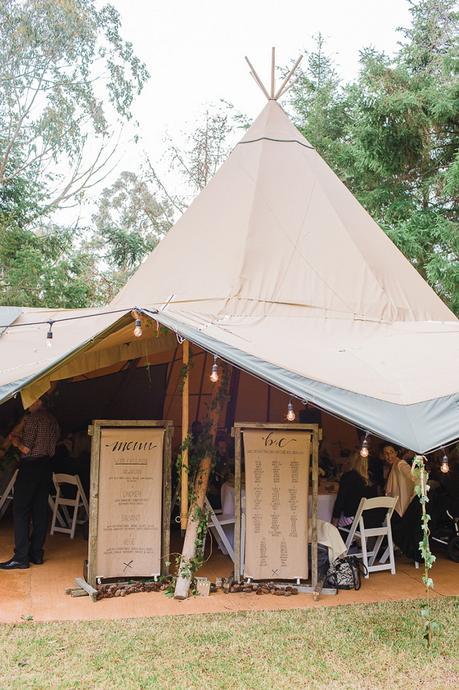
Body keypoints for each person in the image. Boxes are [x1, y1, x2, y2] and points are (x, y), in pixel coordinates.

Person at [0, 397, 60, 570]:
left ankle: (20, 557)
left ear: (39, 402)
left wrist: (15, 441)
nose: (28, 404)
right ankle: (36, 554)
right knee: (40, 510)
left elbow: (26, 448)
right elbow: (53, 443)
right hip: (46, 466)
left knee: (20, 509)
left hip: (31, 465)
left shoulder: (33, 419)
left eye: (31, 401)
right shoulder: (53, 420)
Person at [331, 451, 378, 529]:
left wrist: (334, 521)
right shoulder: (368, 479)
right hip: (367, 521)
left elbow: (340, 501)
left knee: (327, 519)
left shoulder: (348, 477)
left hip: (352, 520)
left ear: (351, 462)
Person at [383, 444, 415, 518]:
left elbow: (412, 476)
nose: (389, 455)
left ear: (396, 453)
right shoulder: (389, 467)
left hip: (400, 506)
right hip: (395, 505)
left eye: (391, 452)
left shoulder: (400, 463)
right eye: (386, 453)